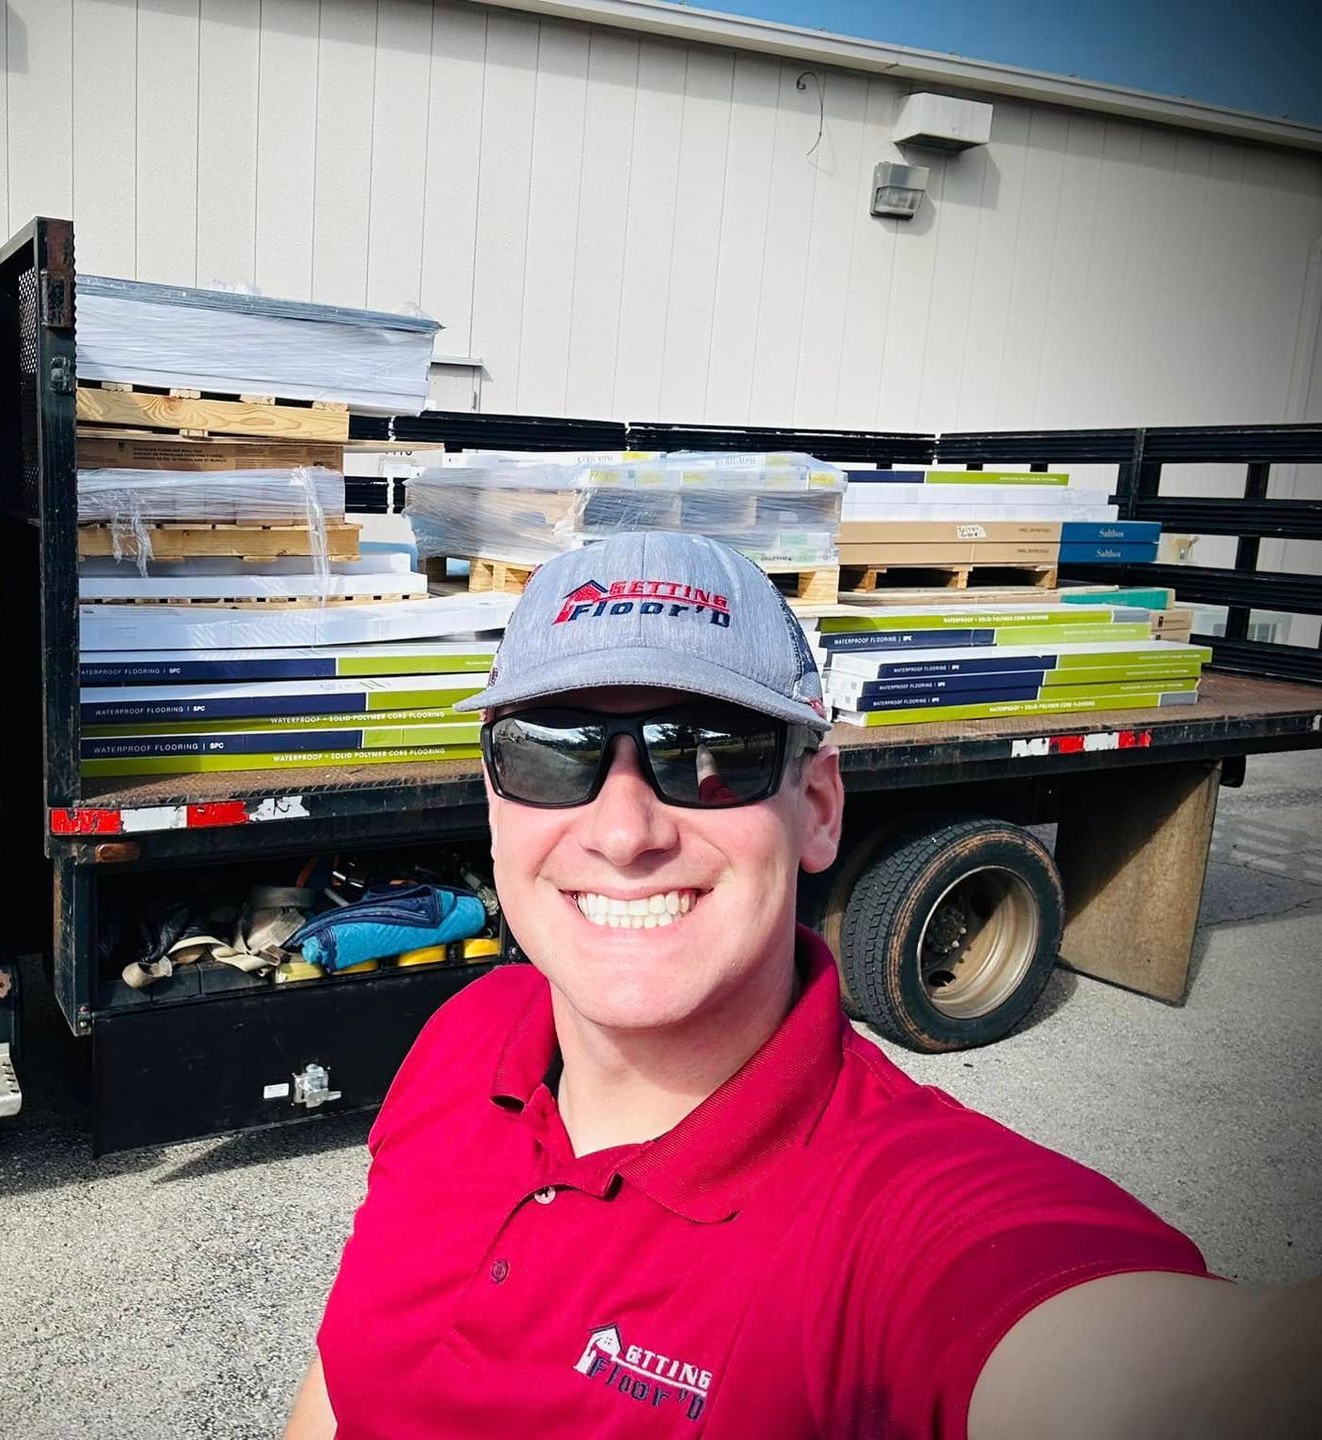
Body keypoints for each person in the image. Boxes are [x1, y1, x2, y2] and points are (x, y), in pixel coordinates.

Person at [283, 531, 1319, 1439]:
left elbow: (1177, 1376)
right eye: (555, 756)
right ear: (496, 804)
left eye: (709, 753)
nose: (623, 829)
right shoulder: (471, 1032)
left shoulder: (890, 1222)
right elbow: (347, 1373)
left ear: (819, 807)